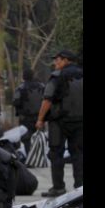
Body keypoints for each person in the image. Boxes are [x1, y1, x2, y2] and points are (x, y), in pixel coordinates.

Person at [36, 50, 83, 197]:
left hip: (59, 122)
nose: (55, 63)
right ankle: (80, 188)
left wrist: (40, 119)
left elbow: (47, 99)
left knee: (56, 154)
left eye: (57, 60)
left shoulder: (56, 77)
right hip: (80, 122)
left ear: (66, 60)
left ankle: (58, 187)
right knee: (79, 154)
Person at [12, 68, 45, 148]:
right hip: (40, 118)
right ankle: (39, 157)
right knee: (40, 139)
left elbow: (15, 102)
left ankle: (29, 158)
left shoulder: (20, 88)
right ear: (33, 76)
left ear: (23, 77)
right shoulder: (42, 86)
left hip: (25, 119)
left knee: (26, 141)